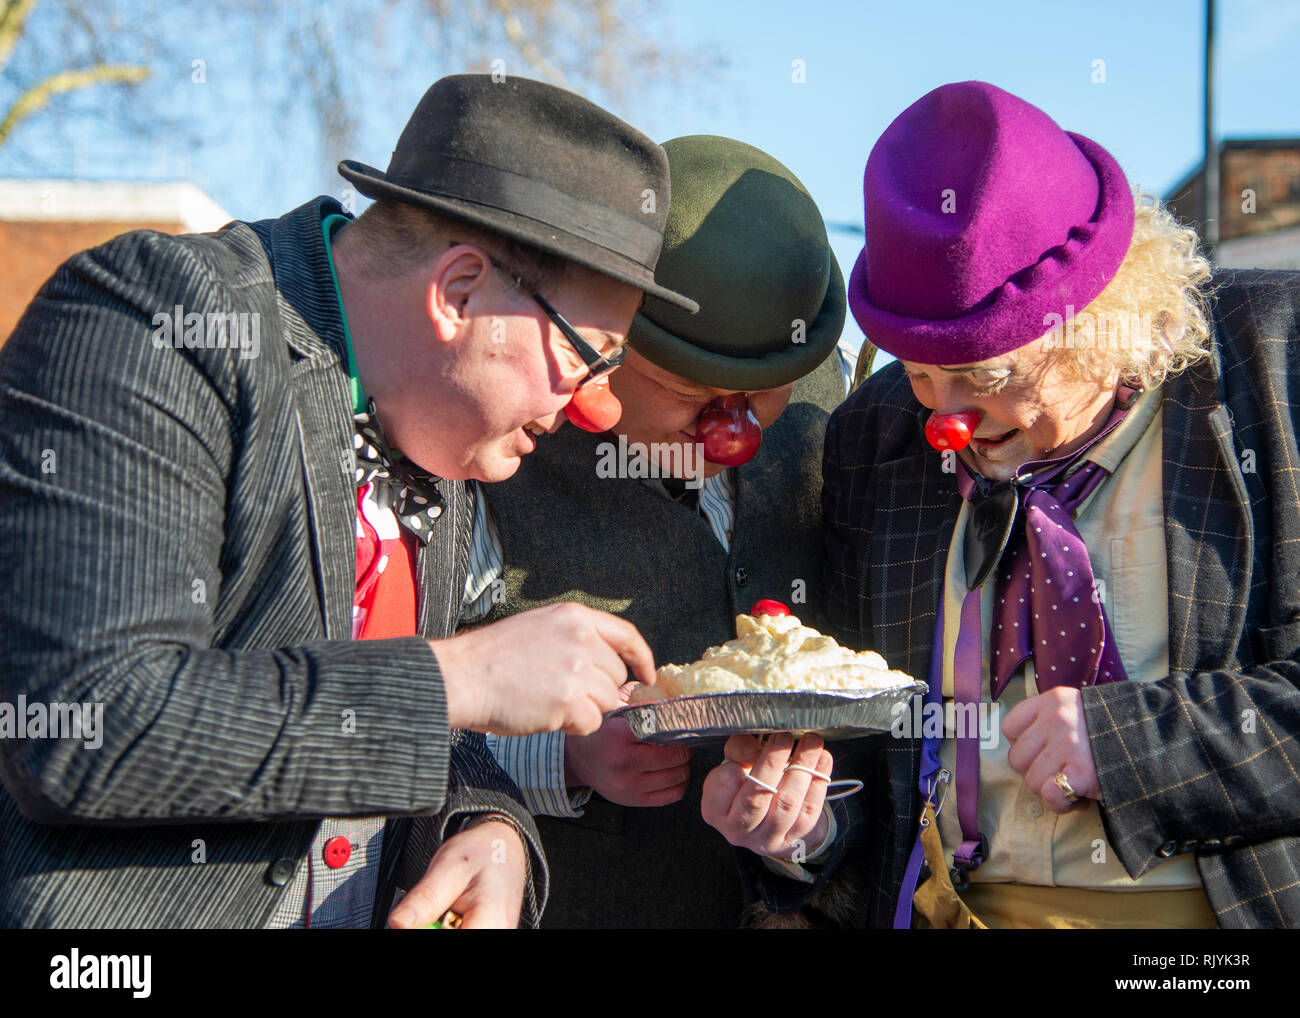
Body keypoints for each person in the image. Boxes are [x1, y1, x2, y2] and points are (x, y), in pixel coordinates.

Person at [0, 73, 693, 928]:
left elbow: (439, 739)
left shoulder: (442, 425)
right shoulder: (156, 319)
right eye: (590, 356)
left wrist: (491, 827)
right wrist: (458, 677)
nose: (600, 406)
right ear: (460, 292)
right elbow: (87, 723)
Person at [762, 81, 1300, 928]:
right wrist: (803, 826)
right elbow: (868, 746)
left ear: (1103, 318)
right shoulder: (876, 435)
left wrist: (1138, 745)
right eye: (921, 373)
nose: (946, 423)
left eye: (986, 378)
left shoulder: (1275, 365)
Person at [477, 135, 851, 927]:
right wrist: (561, 757)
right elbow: (387, 703)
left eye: (765, 395)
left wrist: (804, 829)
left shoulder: (830, 425)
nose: (734, 433)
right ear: (606, 343)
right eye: (690, 393)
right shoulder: (497, 448)